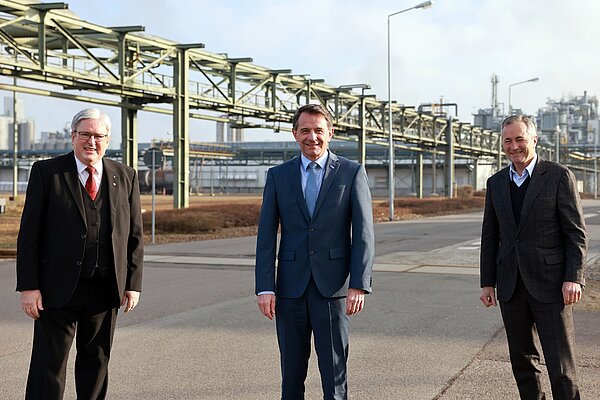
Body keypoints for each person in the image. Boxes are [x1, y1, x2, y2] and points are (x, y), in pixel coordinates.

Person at [16, 108, 144, 399]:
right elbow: (29, 235)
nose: (91, 141)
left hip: (105, 288)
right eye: (85, 134)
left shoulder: (125, 176)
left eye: (98, 136)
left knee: (96, 361)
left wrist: (133, 284)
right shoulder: (47, 173)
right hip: (55, 289)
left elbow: (134, 235)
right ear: (73, 136)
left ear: (108, 140)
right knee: (48, 364)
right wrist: (28, 287)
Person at [255, 103, 375, 400]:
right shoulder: (278, 176)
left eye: (318, 130)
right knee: (291, 379)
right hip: (289, 292)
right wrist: (265, 287)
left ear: (330, 133)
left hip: (333, 290)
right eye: (305, 130)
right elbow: (267, 236)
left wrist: (358, 283)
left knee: (335, 379)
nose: (313, 137)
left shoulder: (351, 172)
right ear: (295, 134)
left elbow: (363, 234)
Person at [480, 114, 587, 400]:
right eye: (508, 141)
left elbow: (575, 233)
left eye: (519, 139)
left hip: (551, 285)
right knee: (522, 363)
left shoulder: (558, 176)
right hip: (511, 286)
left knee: (561, 366)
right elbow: (490, 237)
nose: (514, 146)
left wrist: (573, 278)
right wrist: (487, 283)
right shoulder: (496, 183)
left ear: (534, 140)